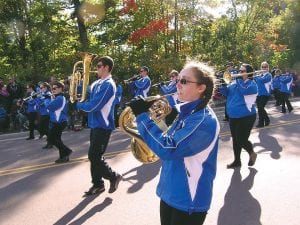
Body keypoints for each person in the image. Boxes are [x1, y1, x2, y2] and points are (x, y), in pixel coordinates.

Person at [128, 61, 220, 225]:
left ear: (201, 87)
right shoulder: (186, 111)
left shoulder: (204, 121)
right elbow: (169, 138)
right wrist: (153, 117)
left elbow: (168, 149)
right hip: (170, 191)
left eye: (184, 81)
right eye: (178, 80)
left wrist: (143, 117)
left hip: (188, 199)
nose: (177, 84)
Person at [75, 56, 121, 196]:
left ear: (106, 67)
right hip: (94, 124)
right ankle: (98, 184)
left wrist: (79, 105)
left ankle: (113, 176)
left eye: (99, 65)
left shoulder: (109, 85)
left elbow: (94, 105)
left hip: (103, 124)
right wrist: (76, 83)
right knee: (94, 156)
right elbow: (84, 94)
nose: (96, 68)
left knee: (94, 155)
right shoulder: (97, 84)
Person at [220, 63, 258, 169]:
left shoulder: (252, 84)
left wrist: (237, 80)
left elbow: (244, 91)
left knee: (241, 139)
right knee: (235, 140)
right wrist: (223, 84)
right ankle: (237, 161)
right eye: (239, 71)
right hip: (233, 116)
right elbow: (226, 93)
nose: (239, 73)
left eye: (242, 71)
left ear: (248, 73)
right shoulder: (235, 83)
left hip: (246, 116)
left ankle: (251, 153)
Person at [46, 81, 73, 163]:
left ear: (60, 89)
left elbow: (49, 107)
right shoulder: (57, 97)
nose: (53, 90)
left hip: (59, 122)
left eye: (54, 88)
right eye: (52, 89)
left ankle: (67, 151)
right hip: (57, 122)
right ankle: (64, 157)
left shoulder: (60, 98)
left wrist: (47, 99)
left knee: (51, 139)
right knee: (57, 139)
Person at [254, 61, 272, 128]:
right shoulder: (259, 75)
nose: (264, 68)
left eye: (265, 67)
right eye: (262, 67)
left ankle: (264, 121)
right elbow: (255, 81)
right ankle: (263, 121)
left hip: (265, 94)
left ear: (268, 68)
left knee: (261, 107)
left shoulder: (268, 75)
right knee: (259, 108)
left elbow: (262, 80)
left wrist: (256, 76)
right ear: (261, 67)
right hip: (258, 94)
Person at [36, 82, 52, 149]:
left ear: (45, 87)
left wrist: (41, 97)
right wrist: (36, 98)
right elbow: (38, 103)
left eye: (42, 88)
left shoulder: (48, 93)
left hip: (47, 113)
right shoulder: (42, 94)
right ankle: (50, 142)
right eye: (40, 88)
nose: (41, 89)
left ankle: (50, 142)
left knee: (43, 127)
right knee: (43, 128)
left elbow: (46, 100)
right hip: (42, 113)